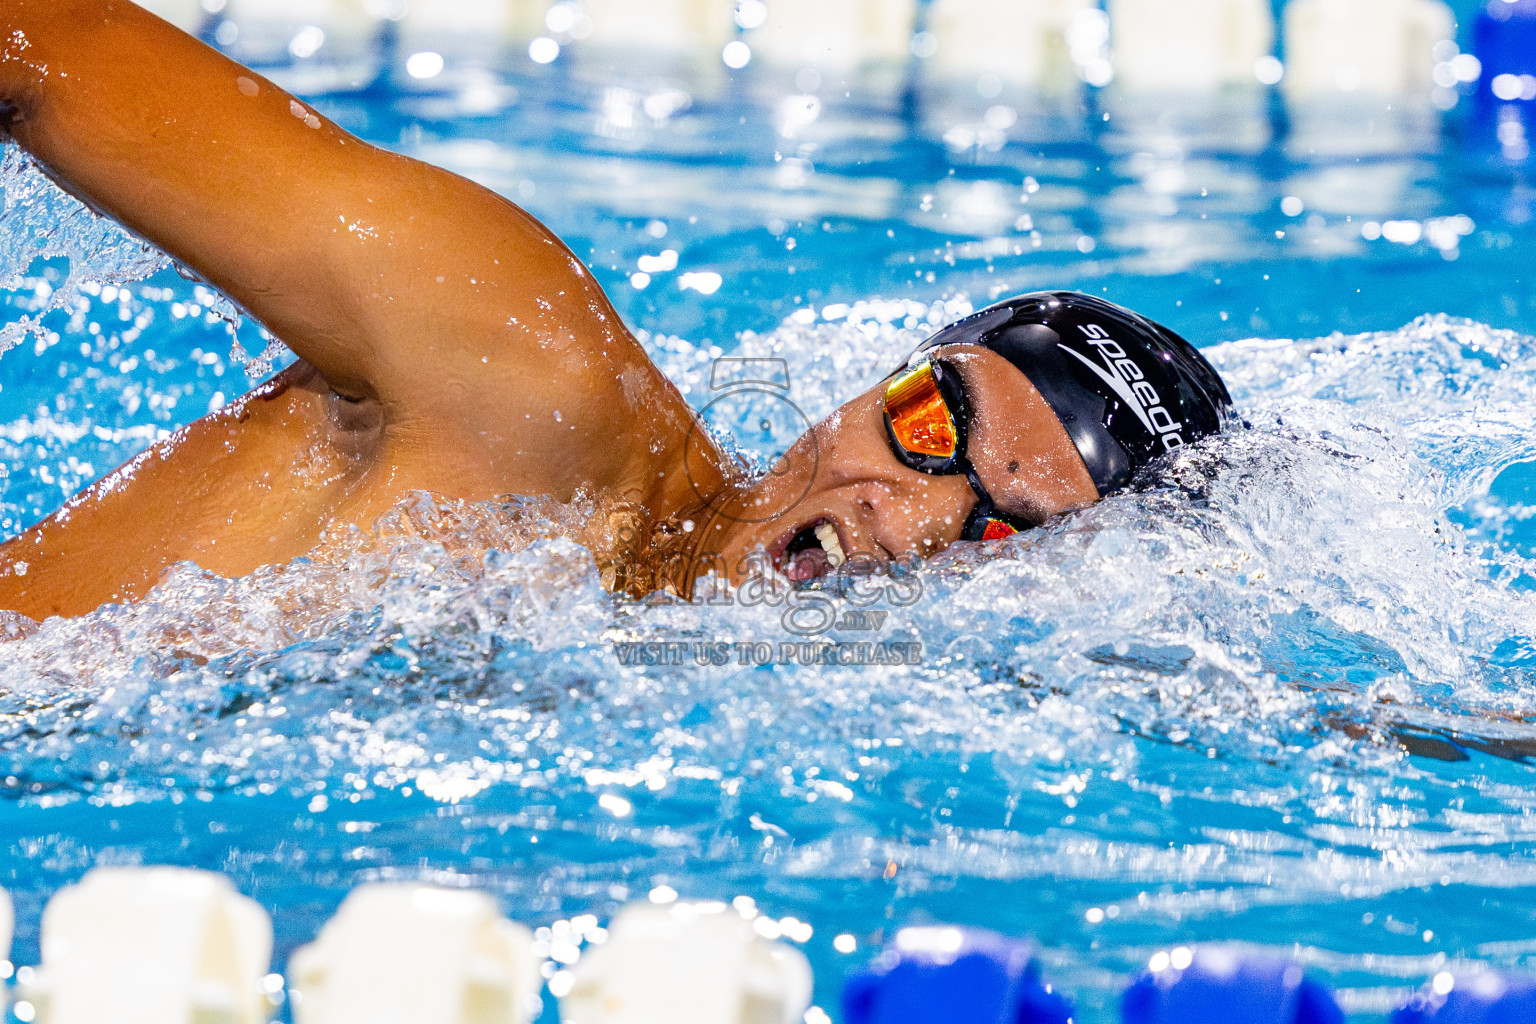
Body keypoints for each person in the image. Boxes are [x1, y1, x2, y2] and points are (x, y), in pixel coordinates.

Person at [0, 0, 1231, 622]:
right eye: (926, 422)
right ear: (870, 387)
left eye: (999, 532)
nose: (902, 518)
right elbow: (47, 42)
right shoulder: (521, 373)